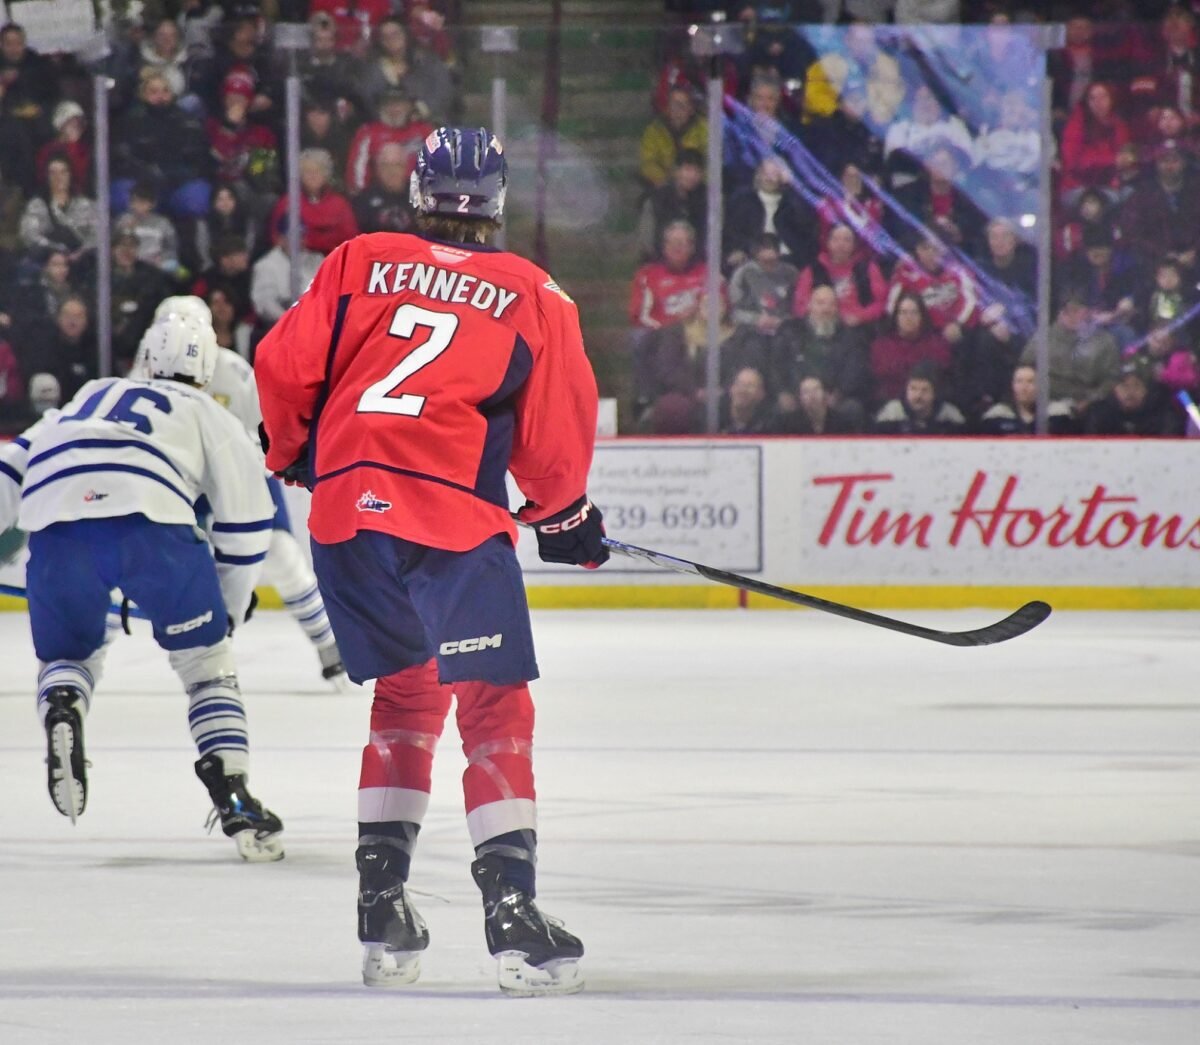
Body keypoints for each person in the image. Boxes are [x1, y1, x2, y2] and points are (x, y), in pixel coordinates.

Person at [254, 126, 602, 995]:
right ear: (496, 202)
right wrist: (565, 514)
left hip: (342, 520)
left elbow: (281, 364)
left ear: (417, 193)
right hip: (447, 523)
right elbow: (557, 425)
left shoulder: (358, 258)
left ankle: (383, 905)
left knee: (405, 693)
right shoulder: (533, 291)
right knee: (492, 707)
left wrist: (294, 449)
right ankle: (513, 915)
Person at [0, 314, 284, 861]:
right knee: (207, 667)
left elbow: (12, 467)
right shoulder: (207, 411)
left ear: (146, 360)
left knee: (69, 657)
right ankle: (235, 797)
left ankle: (64, 702)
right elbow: (248, 524)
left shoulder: (91, 393)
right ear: (206, 370)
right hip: (152, 526)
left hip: (57, 528)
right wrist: (226, 608)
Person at [152, 295, 350, 687]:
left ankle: (329, 643)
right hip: (183, 482)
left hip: (236, 472)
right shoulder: (144, 377)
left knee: (283, 555)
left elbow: (264, 431)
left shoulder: (233, 372)